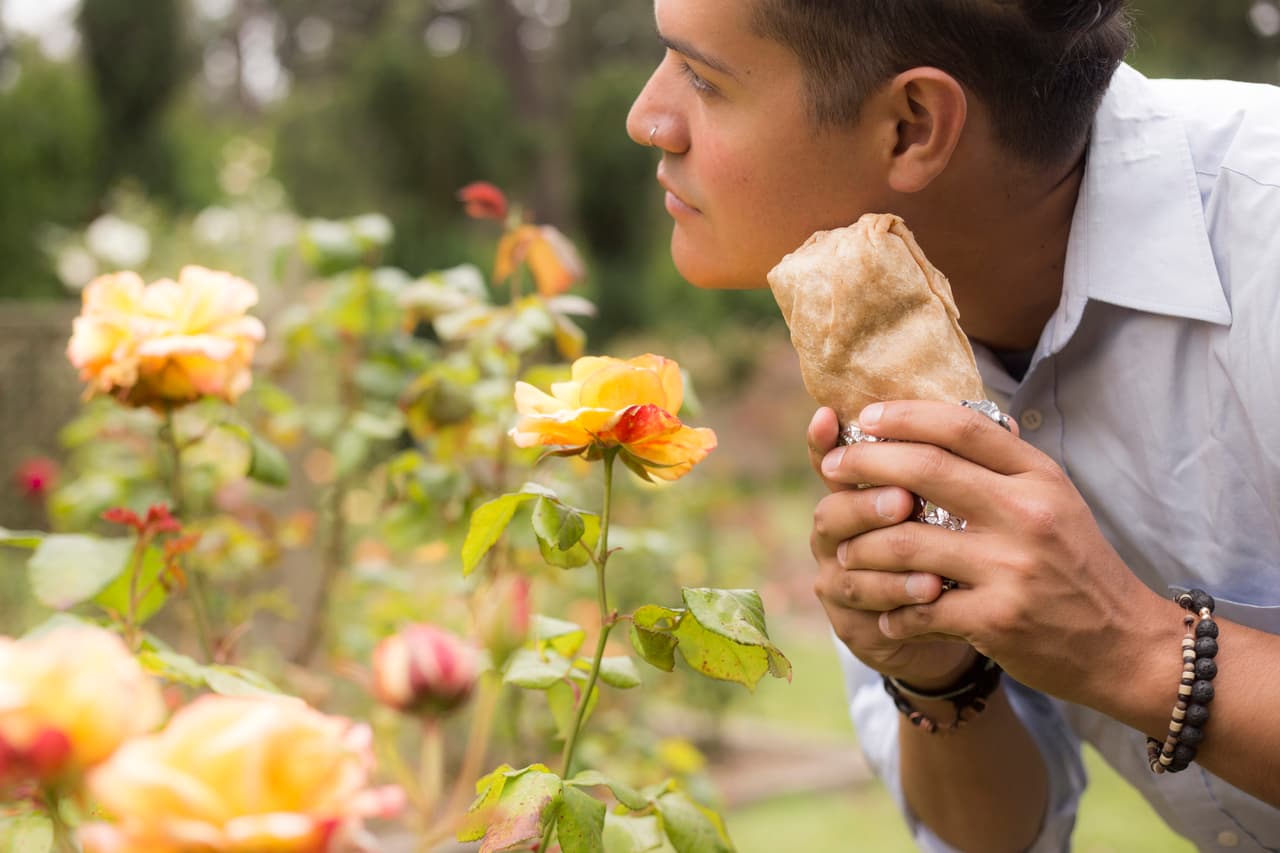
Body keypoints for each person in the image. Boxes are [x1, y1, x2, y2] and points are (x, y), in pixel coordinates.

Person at [624, 0, 1280, 850]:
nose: (647, 118)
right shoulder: (867, 354)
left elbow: (1126, 652)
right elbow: (993, 836)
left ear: (912, 128)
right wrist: (939, 678)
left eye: (703, 78)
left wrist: (1132, 649)